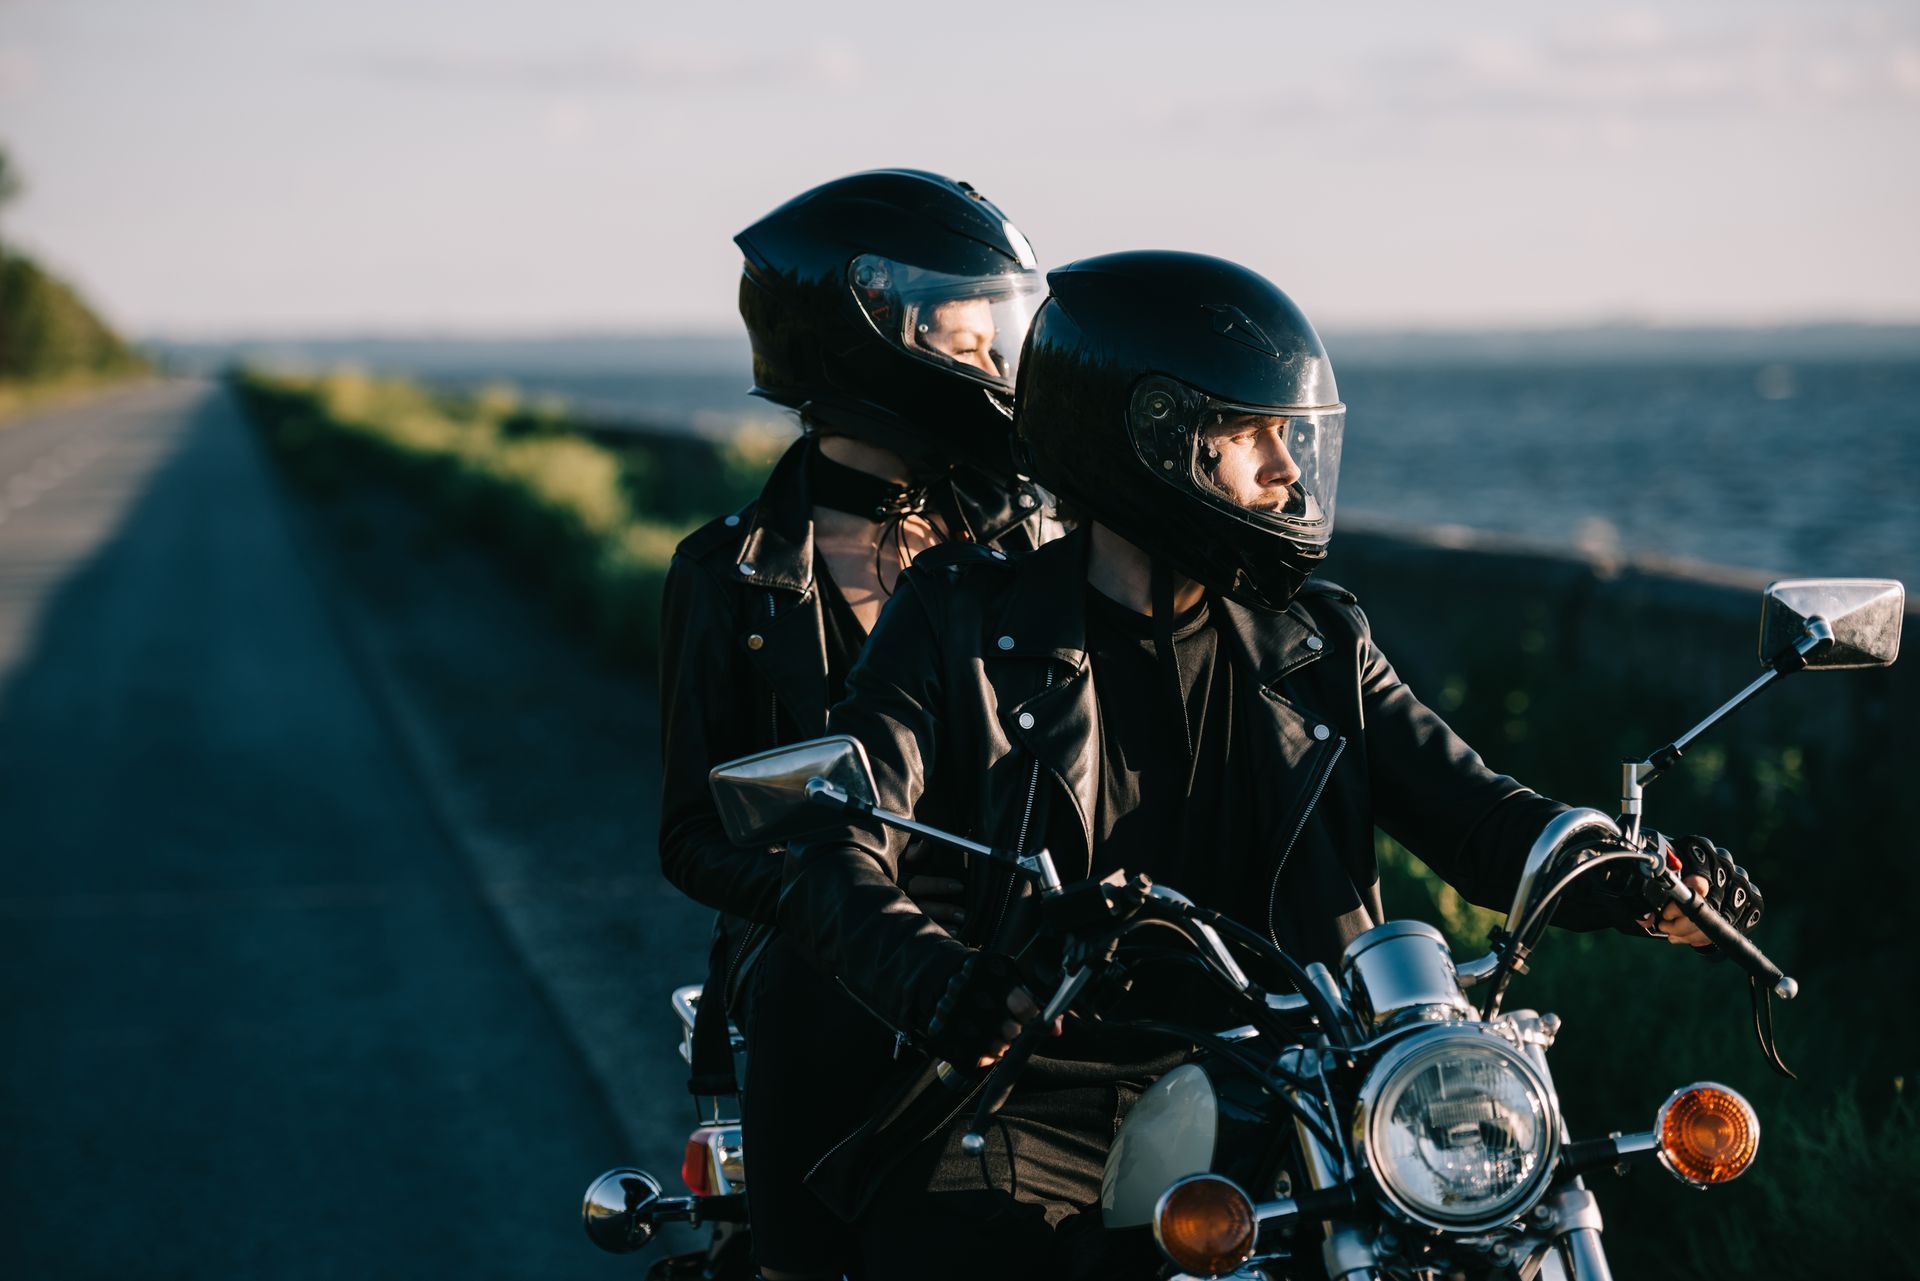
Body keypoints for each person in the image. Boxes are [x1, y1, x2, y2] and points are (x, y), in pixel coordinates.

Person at [772, 251, 1765, 1279]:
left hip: (1299, 1082)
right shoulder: (960, 622)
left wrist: (1635, 877)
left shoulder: (1319, 645)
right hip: (1042, 1085)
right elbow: (837, 837)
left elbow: (1478, 815)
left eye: (1291, 436)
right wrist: (936, 977)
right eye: (1253, 434)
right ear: (1151, 436)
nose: (1287, 470)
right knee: (972, 1244)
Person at [656, 169, 1062, 1281]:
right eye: (966, 340)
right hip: (824, 941)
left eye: (995, 336)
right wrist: (824, 894)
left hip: (1015, 917)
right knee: (810, 985)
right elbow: (689, 833)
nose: (994, 364)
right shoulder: (730, 573)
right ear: (871, 341)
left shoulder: (1027, 543)